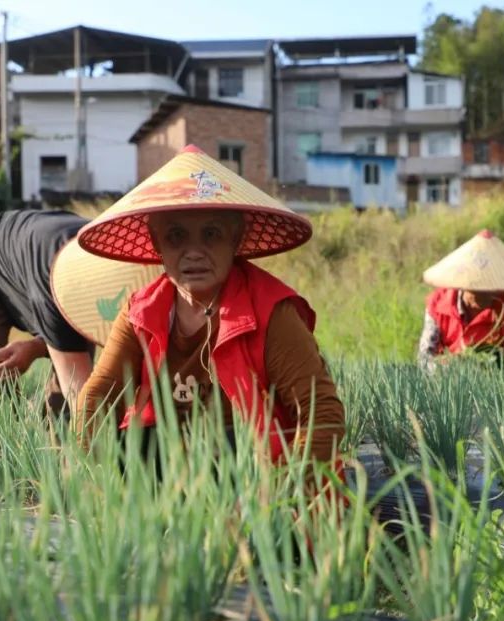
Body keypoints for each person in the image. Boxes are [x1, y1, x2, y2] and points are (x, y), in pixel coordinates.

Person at [74, 145, 345, 472]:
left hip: (253, 462)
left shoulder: (272, 311)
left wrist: (280, 495)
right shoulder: (141, 312)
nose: (193, 252)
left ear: (235, 240)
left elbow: (319, 414)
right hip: (170, 460)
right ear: (158, 245)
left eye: (211, 235)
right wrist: (98, 484)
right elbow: (98, 395)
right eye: (176, 236)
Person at [0, 209, 95, 415]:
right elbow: (76, 383)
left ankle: (62, 442)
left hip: (48, 249)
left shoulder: (120, 280)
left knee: (66, 408)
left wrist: (34, 348)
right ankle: (4, 441)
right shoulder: (55, 276)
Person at [417, 229, 504, 377]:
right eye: (477, 291)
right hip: (450, 381)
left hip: (501, 384)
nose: (485, 297)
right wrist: (454, 368)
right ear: (463, 285)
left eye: (490, 290)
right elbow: (424, 358)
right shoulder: (438, 306)